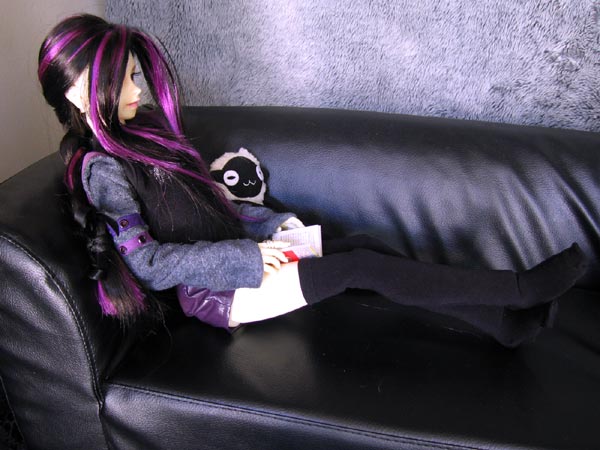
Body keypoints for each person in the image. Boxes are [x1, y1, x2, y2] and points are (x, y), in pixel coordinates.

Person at [38, 14, 586, 348]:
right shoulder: (101, 169)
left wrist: (274, 226)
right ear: (77, 92)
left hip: (248, 255)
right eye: (123, 80)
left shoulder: (149, 135)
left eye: (135, 76)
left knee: (367, 245)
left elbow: (215, 207)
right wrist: (250, 259)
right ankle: (519, 289)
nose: (137, 90)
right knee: (359, 268)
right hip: (219, 292)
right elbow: (148, 264)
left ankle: (502, 324)